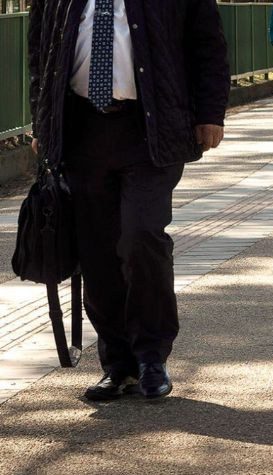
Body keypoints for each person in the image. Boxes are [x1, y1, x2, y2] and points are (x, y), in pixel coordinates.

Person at [28, 0, 229, 400]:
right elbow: (40, 51)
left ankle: (151, 356)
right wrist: (43, 121)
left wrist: (211, 112)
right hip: (81, 131)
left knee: (140, 236)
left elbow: (208, 44)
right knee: (97, 250)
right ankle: (118, 364)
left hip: (149, 131)